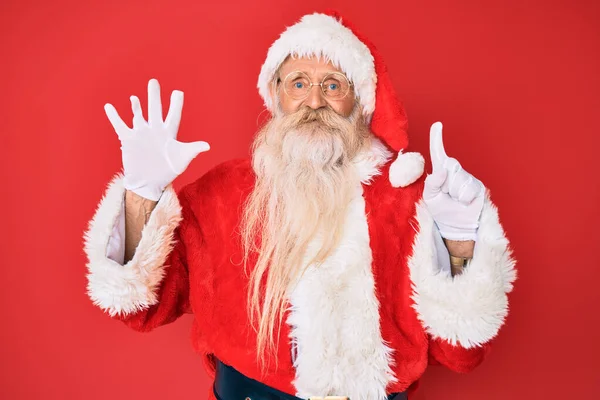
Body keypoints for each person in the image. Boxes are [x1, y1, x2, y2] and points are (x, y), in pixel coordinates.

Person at [83, 11, 516, 400]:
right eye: (299, 83)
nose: (314, 101)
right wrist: (141, 193)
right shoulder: (220, 192)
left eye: (332, 85)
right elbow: (140, 307)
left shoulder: (408, 199)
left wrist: (460, 241)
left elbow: (460, 351)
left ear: (360, 102)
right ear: (275, 95)